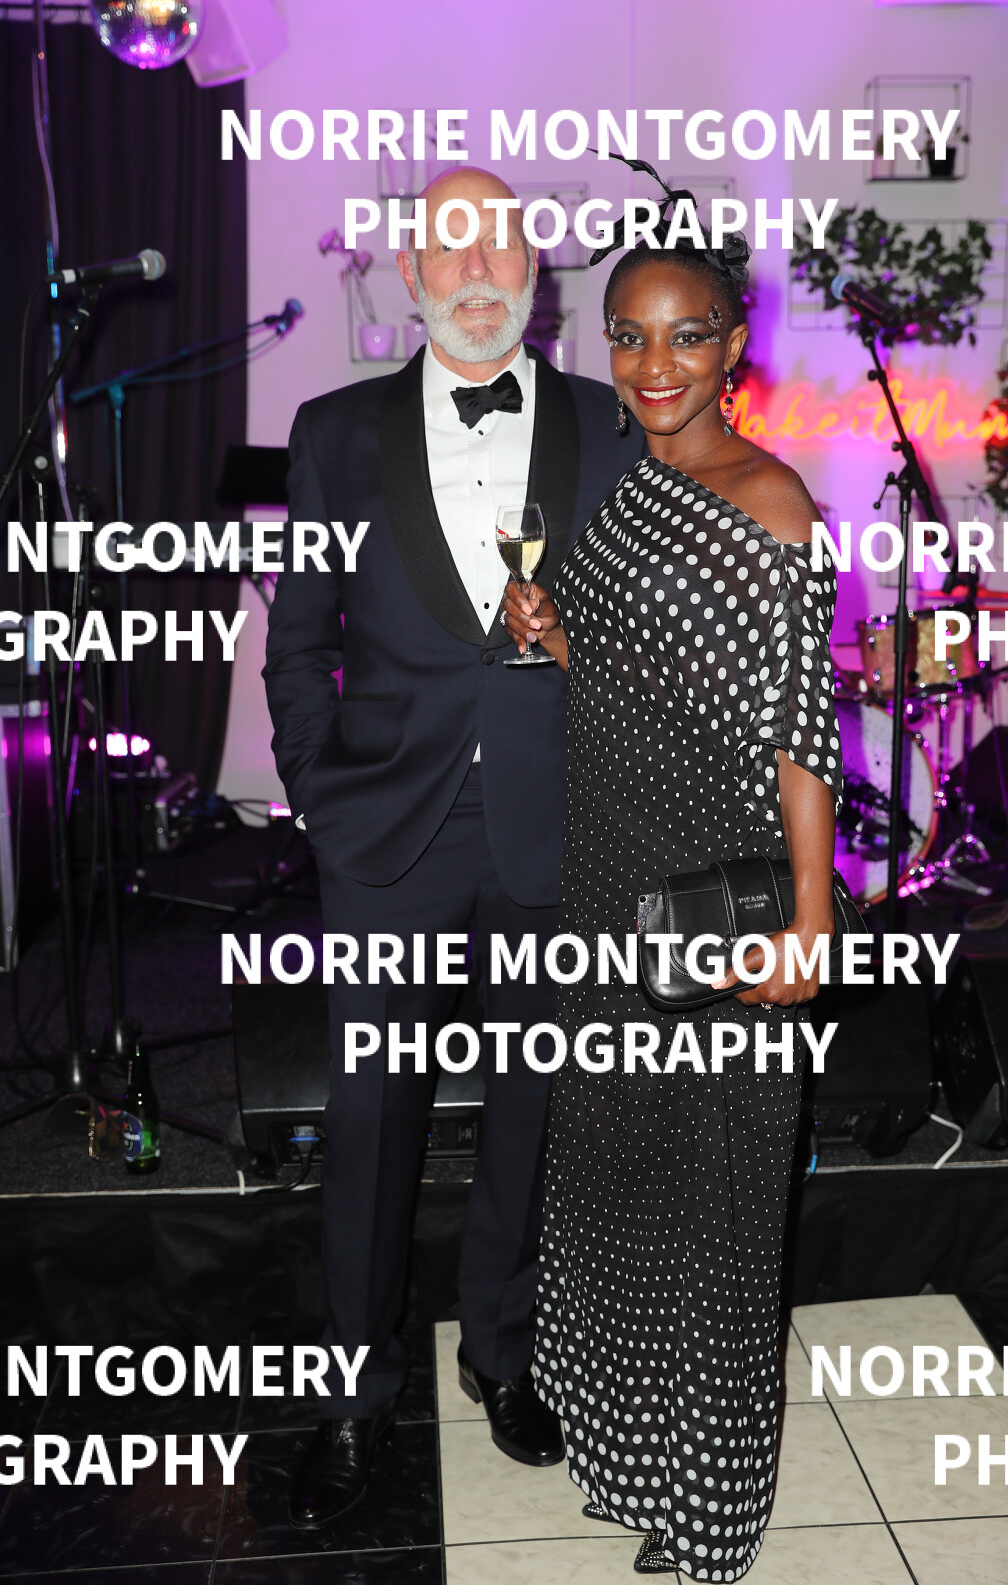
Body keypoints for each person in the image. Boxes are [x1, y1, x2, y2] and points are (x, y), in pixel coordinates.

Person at [263, 167, 640, 1529]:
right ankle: (355, 1395)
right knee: (372, 1122)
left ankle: (503, 1353)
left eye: (500, 245)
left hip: (558, 826)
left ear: (536, 271)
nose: (477, 271)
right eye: (450, 247)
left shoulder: (610, 423)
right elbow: (297, 643)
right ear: (411, 273)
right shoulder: (333, 432)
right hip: (386, 833)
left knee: (535, 1110)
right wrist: (320, 792)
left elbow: (644, 632)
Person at [503, 225, 842, 1578]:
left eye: (686, 336)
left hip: (715, 892)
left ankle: (709, 1510)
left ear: (731, 346)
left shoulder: (773, 504)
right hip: (607, 883)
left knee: (713, 1205)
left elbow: (801, 732)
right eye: (632, 337)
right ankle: (633, 1453)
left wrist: (811, 913)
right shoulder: (633, 488)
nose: (656, 364)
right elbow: (630, 671)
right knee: (615, 1178)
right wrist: (554, 636)